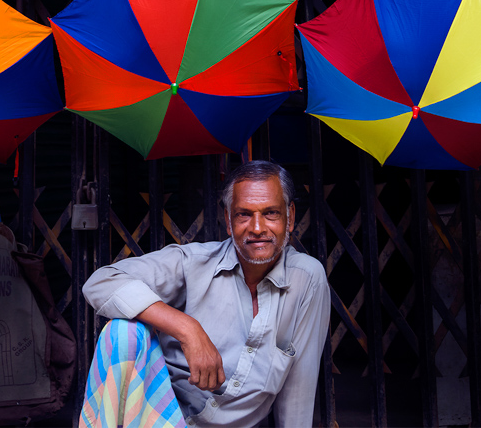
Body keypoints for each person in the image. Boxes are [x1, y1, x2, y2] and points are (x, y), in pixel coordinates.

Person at [82, 160, 331, 427]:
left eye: (271, 213)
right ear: (227, 220)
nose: (257, 228)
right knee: (121, 331)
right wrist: (188, 329)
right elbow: (99, 282)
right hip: (159, 418)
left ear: (290, 217)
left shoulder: (306, 278)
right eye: (243, 214)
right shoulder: (194, 263)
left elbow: (298, 392)